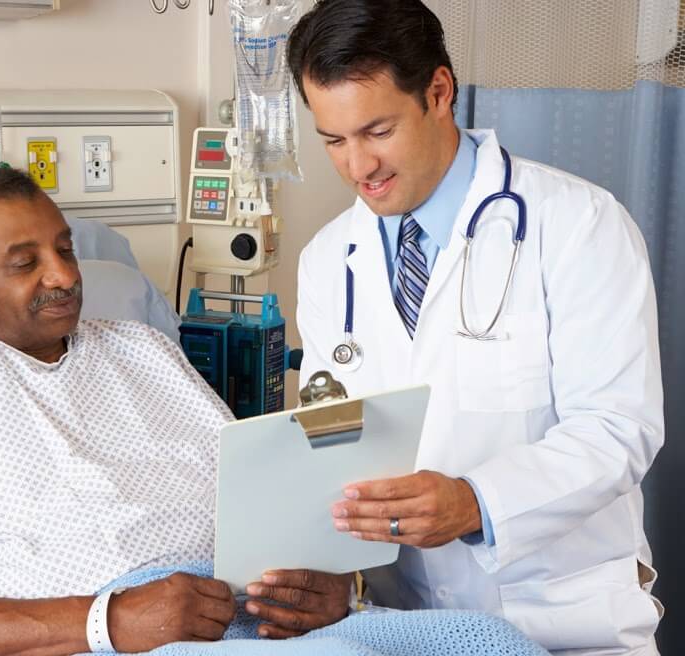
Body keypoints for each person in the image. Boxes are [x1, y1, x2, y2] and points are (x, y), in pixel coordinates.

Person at [0, 167, 351, 656]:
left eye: (64, 250)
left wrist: (319, 587)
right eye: (25, 263)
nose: (63, 275)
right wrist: (110, 621)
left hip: (253, 622)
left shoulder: (145, 350)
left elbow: (260, 502)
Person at [273, 1, 665, 654]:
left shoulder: (577, 224)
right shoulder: (328, 262)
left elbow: (619, 428)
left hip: (563, 618)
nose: (358, 167)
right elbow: (334, 435)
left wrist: (475, 501)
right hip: (402, 626)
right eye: (334, 141)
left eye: (377, 131)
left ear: (438, 91)